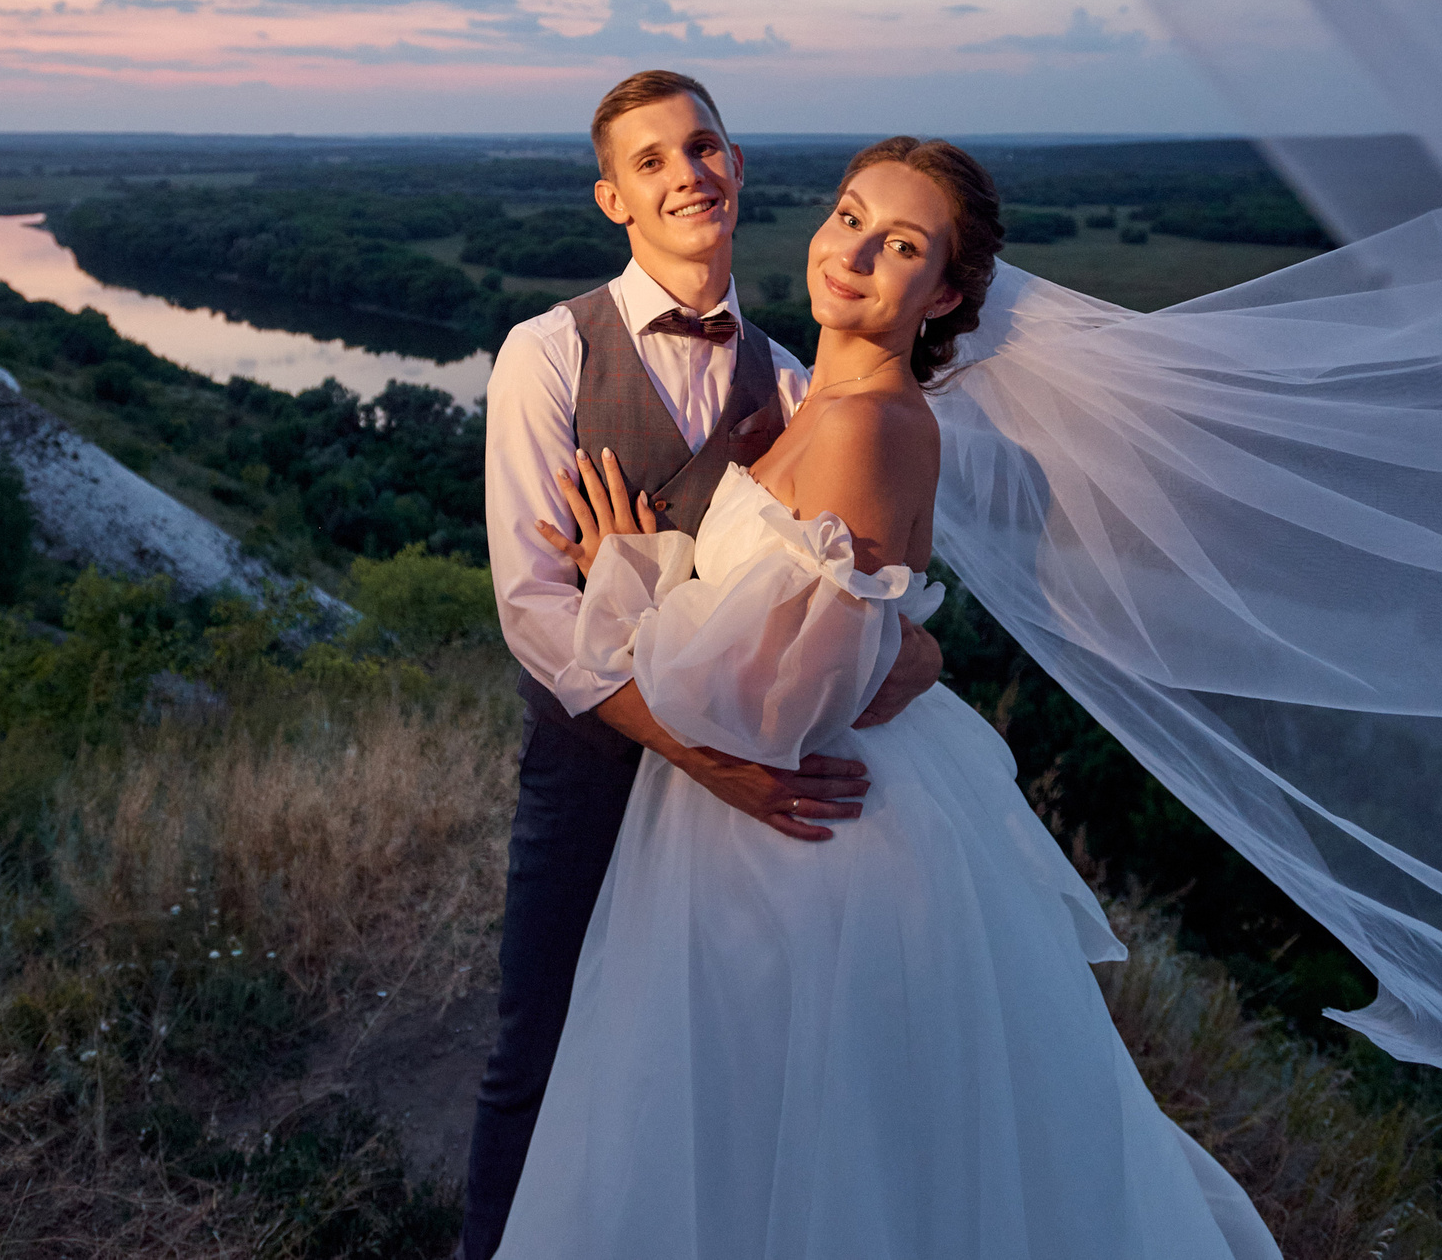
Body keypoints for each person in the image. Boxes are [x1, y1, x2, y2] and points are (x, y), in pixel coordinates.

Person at [492, 137, 1278, 1258]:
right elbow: (851, 631)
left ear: (946, 291)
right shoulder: (813, 403)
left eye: (901, 244)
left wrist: (629, 569)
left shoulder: (865, 422)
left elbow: (775, 708)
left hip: (810, 835)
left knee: (802, 1146)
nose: (853, 253)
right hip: (765, 827)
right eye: (849, 215)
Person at [464, 71, 948, 1260]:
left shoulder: (793, 381)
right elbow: (533, 611)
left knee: (712, 1056)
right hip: (599, 766)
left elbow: (862, 619)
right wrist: (703, 753)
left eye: (703, 145)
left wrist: (908, 653)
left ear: (736, 167)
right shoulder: (546, 353)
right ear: (612, 198)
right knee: (541, 1041)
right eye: (650, 160)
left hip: (745, 795)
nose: (685, 171)